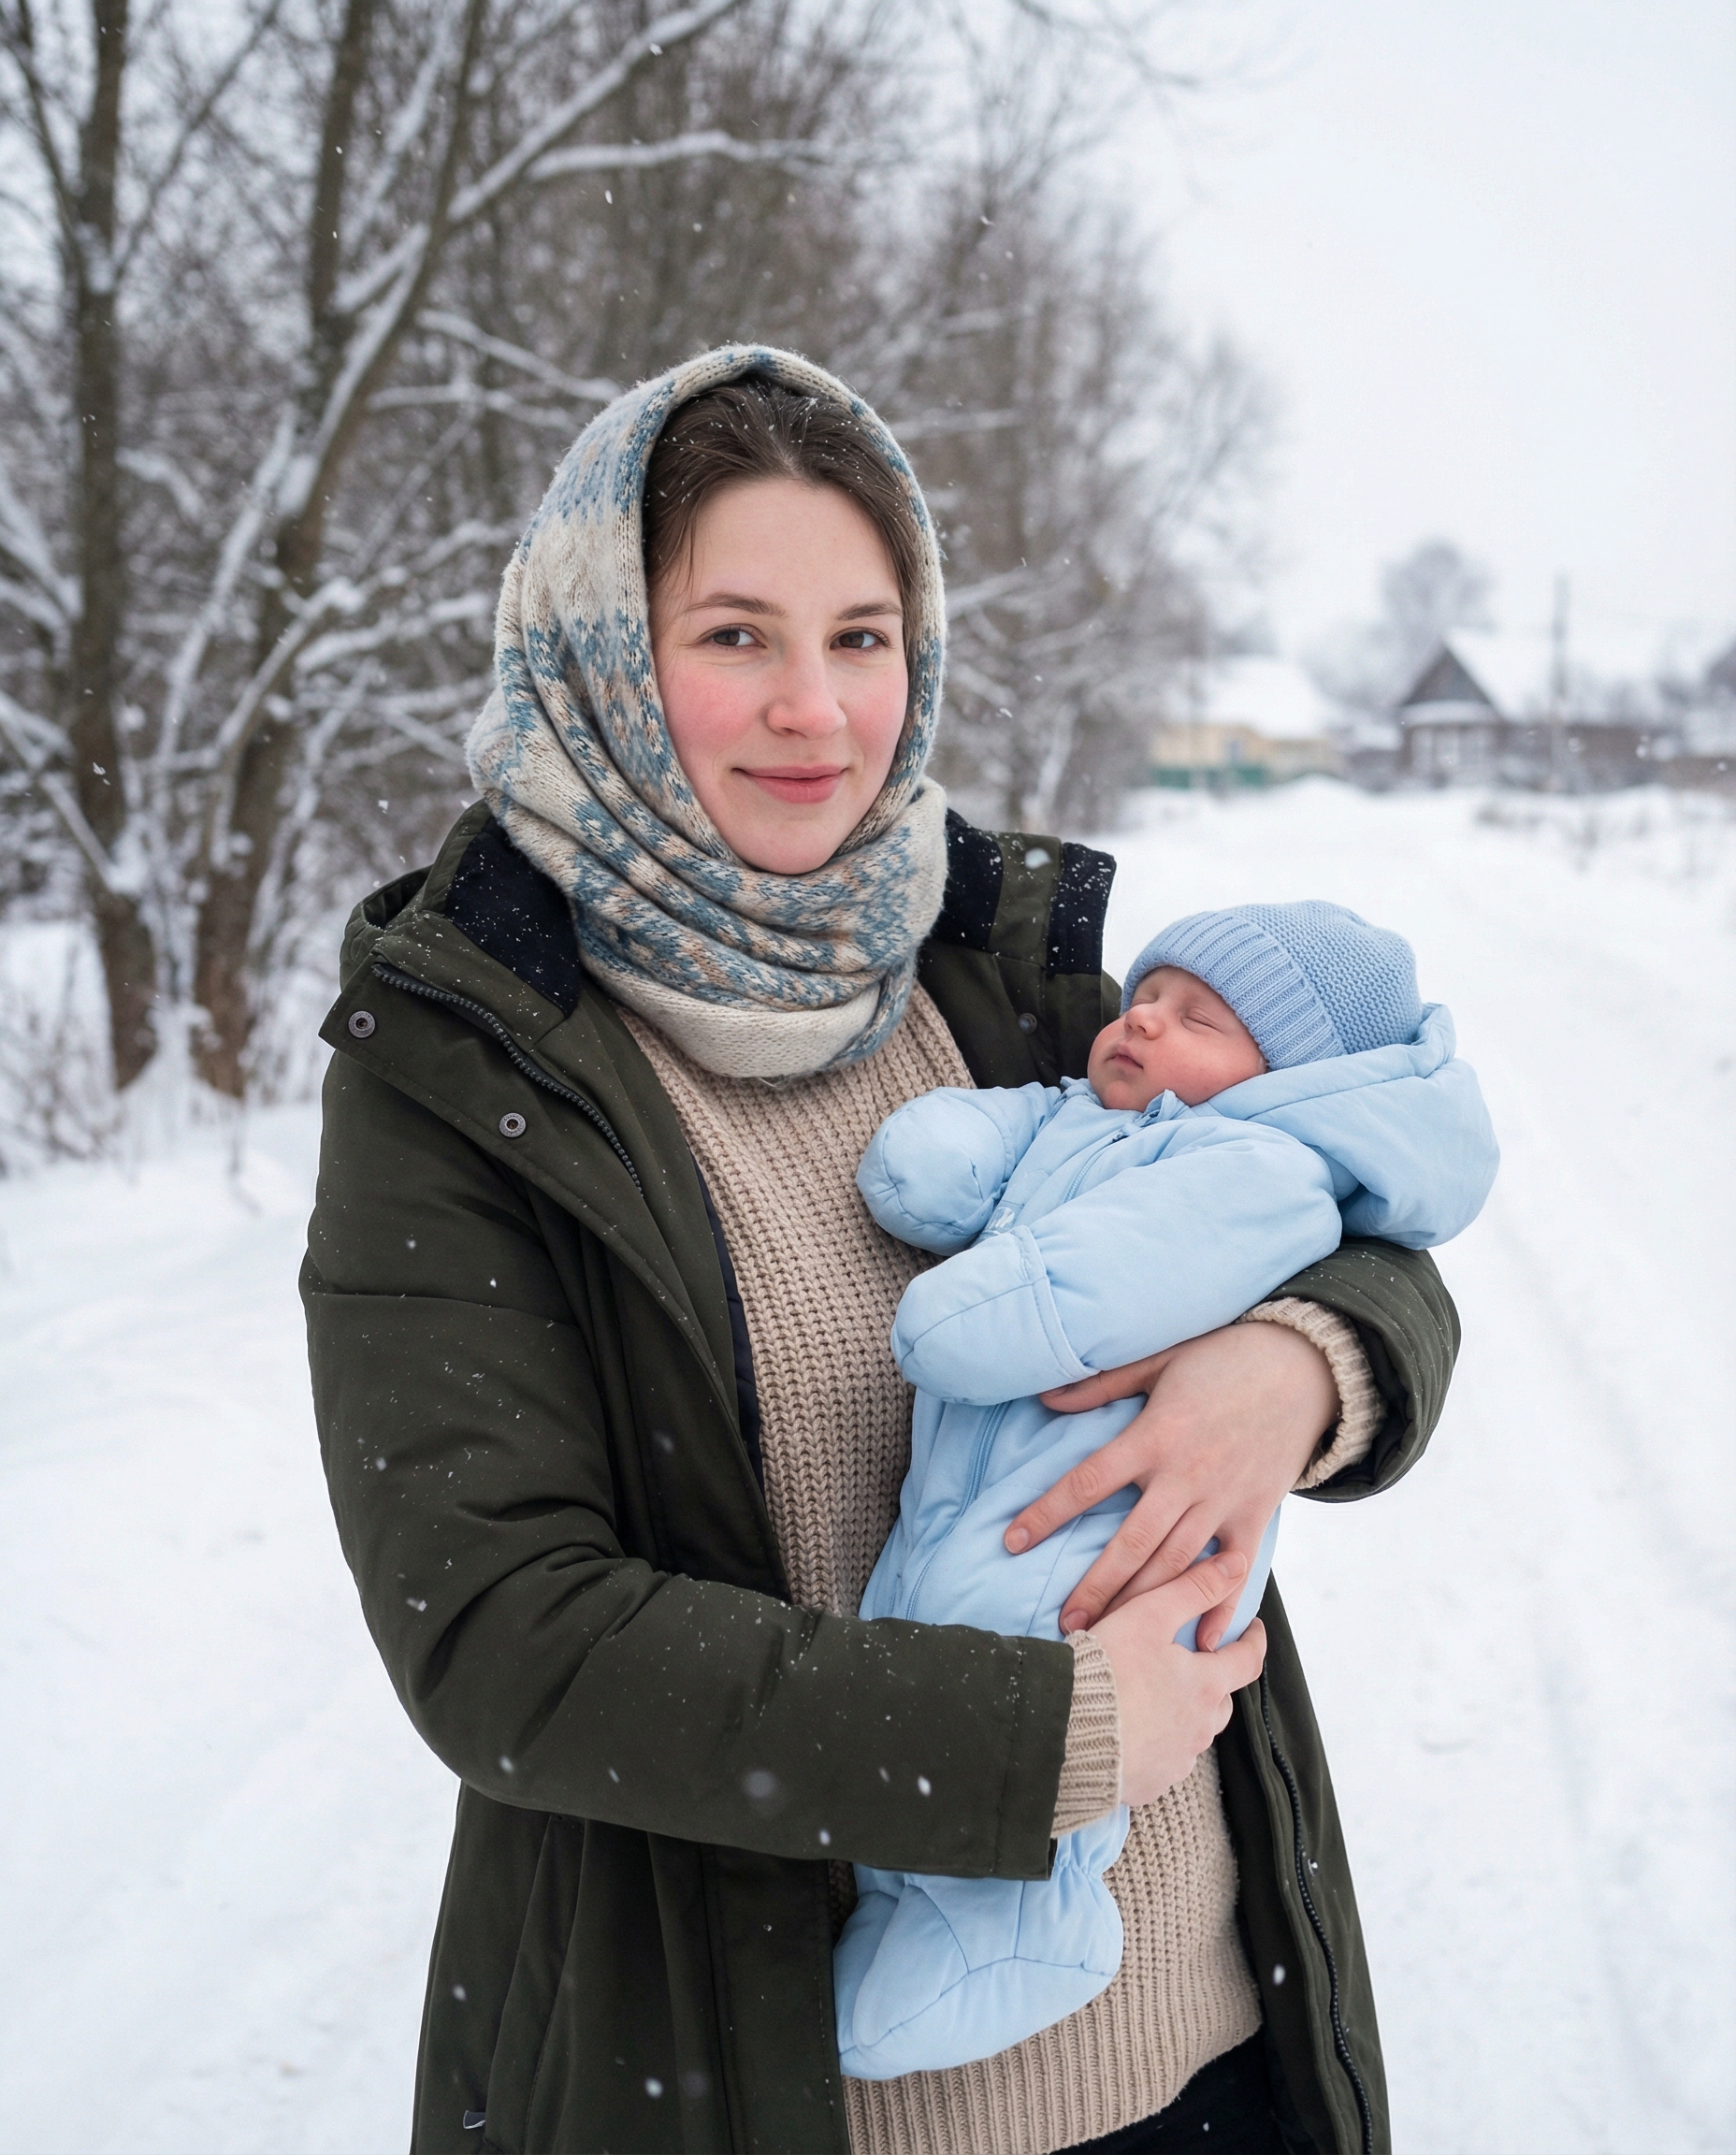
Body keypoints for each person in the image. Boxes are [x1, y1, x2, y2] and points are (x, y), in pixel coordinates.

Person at [302, 344, 1463, 2155]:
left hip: (1213, 2044)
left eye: (861, 636)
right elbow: (506, 1636)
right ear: (602, 657)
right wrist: (1041, 1735)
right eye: (735, 634)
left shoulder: (994, 969)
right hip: (791, 2083)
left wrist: (1302, 1364)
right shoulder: (476, 1063)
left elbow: (1341, 1167)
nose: (815, 710)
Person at [835, 904, 1498, 2079]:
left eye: (1198, 1018)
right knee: (927, 1651)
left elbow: (1086, 1286)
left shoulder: (1250, 1171)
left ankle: (1030, 1926)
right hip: (978, 1500)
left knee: (1034, 1672)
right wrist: (941, 1155)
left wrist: (1298, 1358)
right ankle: (914, 1907)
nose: (1140, 1018)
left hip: (1102, 1536)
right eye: (1147, 994)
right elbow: (941, 1172)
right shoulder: (1090, 1120)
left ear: (1283, 1083)